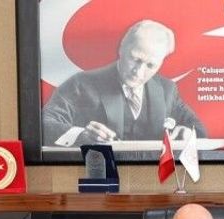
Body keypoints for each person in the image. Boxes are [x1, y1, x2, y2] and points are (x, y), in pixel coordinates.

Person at [42, 19, 206, 146]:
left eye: (150, 65)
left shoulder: (167, 89)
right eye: (135, 59)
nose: (139, 72)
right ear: (121, 49)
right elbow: (44, 123)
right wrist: (80, 134)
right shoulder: (81, 84)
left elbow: (199, 130)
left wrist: (188, 133)